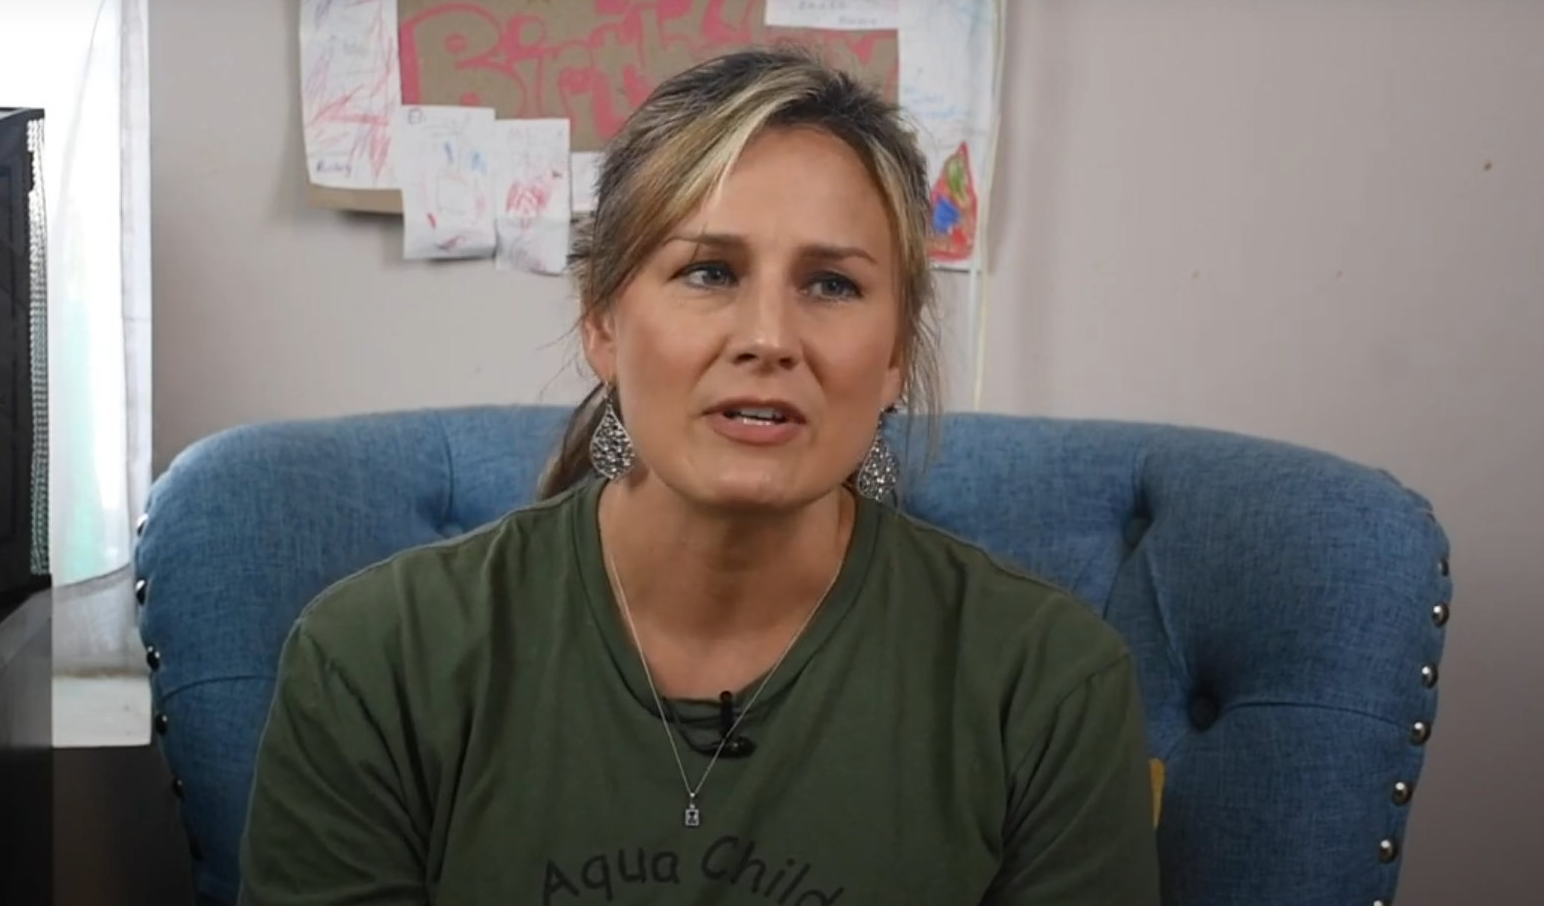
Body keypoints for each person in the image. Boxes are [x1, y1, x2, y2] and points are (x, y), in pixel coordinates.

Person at [238, 46, 1161, 906]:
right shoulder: (375, 659)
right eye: (709, 271)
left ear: (892, 359)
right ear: (602, 319)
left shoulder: (1049, 686)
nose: (768, 336)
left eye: (832, 285)